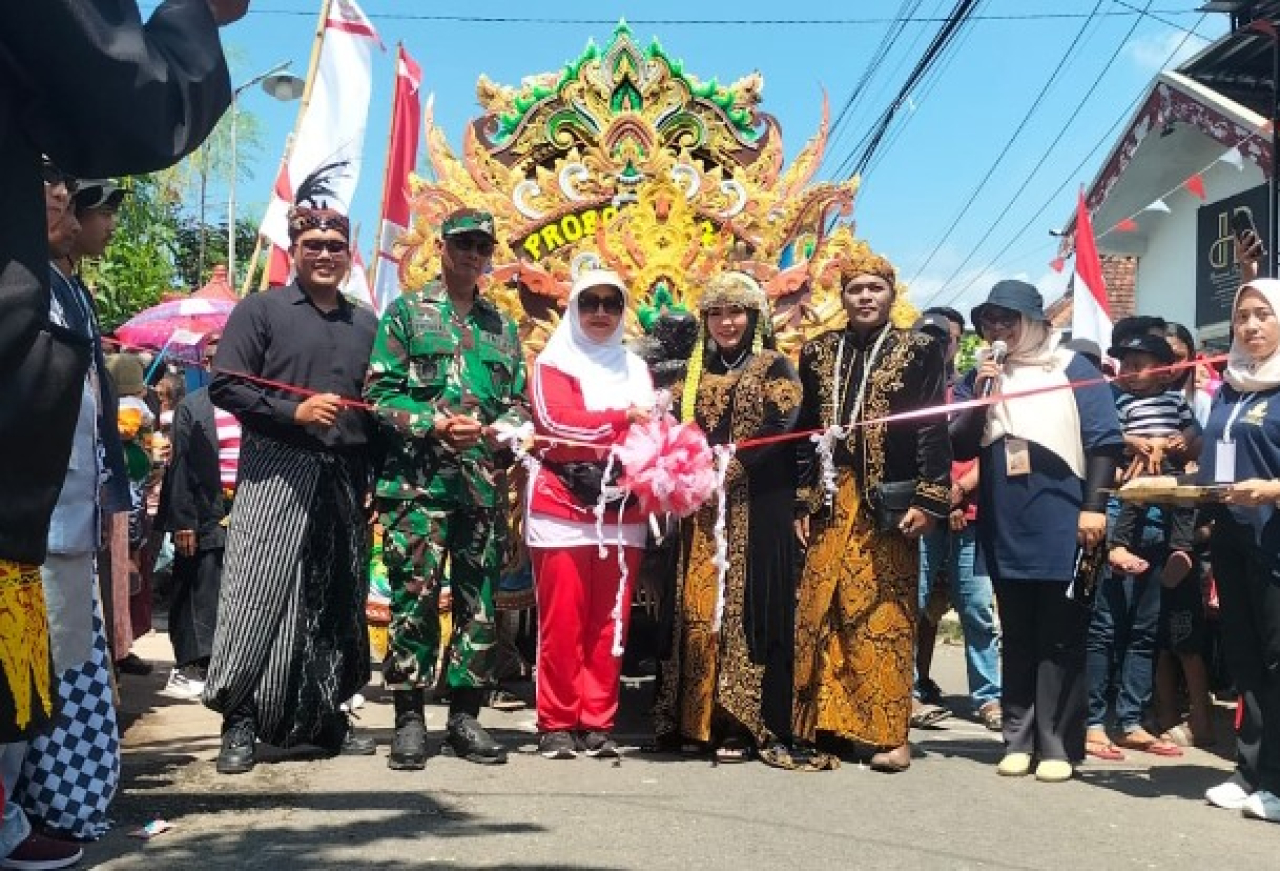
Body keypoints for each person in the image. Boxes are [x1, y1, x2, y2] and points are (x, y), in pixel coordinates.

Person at [0, 4, 243, 865]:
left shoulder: (72, 297)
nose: (83, 206)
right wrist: (195, 21)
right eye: (67, 189)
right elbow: (124, 94)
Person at [205, 164, 379, 775]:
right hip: (275, 471)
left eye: (335, 246)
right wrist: (293, 409)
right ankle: (241, 721)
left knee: (333, 600)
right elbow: (224, 384)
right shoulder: (261, 311)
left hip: (343, 477)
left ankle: (324, 714)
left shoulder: (366, 322)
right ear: (294, 249)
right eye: (313, 246)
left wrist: (376, 480)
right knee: (259, 595)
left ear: (349, 252)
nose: (325, 255)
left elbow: (380, 409)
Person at [365, 208, 527, 769]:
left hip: (482, 485)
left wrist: (507, 429)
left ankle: (465, 716)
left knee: (478, 601)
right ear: (442, 247)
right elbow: (380, 395)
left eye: (482, 246)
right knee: (413, 599)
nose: (473, 254)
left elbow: (518, 404)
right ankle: (409, 717)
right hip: (417, 484)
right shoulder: (408, 313)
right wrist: (432, 421)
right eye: (464, 244)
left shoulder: (501, 326)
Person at [953, 280, 1122, 784]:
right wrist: (983, 394)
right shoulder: (982, 374)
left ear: (1036, 322)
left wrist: (1094, 507)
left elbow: (1105, 441)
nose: (998, 328)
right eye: (990, 320)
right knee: (1018, 632)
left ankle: (1058, 742)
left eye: (1009, 318)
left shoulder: (1073, 367)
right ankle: (1017, 737)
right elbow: (958, 440)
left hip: (1063, 515)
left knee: (1061, 634)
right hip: (1006, 519)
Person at [791, 249, 952, 773]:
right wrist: (800, 497)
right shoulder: (818, 353)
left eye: (875, 288)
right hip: (830, 499)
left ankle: (890, 734)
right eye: (855, 289)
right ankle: (830, 726)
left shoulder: (919, 348)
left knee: (885, 613)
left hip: (889, 502)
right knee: (825, 608)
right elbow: (804, 428)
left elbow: (931, 425)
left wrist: (930, 498)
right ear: (841, 296)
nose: (865, 297)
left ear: (891, 294)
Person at [652, 271, 805, 767]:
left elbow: (780, 426)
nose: (726, 322)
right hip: (700, 511)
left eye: (735, 311)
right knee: (697, 608)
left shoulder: (775, 366)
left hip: (756, 508)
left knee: (746, 610)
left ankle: (743, 722)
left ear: (754, 316)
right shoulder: (692, 374)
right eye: (716, 313)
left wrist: (727, 471)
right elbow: (674, 430)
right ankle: (693, 719)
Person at [526, 269, 653, 760]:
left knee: (612, 623)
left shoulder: (636, 369)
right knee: (563, 621)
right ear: (574, 310)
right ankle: (556, 721)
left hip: (623, 509)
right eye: (590, 303)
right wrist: (621, 420)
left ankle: (597, 720)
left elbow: (651, 434)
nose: (601, 314)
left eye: (611, 304)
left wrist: (618, 433)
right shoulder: (554, 363)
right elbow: (556, 423)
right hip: (561, 506)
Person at [1085, 332, 1200, 763]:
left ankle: (1131, 721)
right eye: (1126, 364)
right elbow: (1098, 446)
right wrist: (1130, 444)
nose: (1132, 373)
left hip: (1162, 523)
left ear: (1163, 367)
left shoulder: (1176, 401)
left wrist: (1175, 446)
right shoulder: (1111, 401)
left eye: (1141, 363)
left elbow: (1193, 442)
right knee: (1105, 626)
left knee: (1145, 629)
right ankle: (1093, 723)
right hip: (1120, 517)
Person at [1198, 279, 1280, 822]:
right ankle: (1249, 772)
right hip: (1232, 537)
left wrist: (1273, 488)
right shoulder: (1230, 387)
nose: (1251, 327)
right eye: (1243, 316)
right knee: (1247, 661)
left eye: (1264, 315)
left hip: (1273, 539)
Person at [913, 308, 1003, 732]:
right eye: (924, 336)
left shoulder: (974, 385)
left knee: (975, 609)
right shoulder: (905, 390)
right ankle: (907, 690)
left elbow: (995, 446)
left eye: (943, 337)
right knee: (912, 604)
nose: (933, 344)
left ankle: (988, 697)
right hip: (921, 517)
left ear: (957, 342)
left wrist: (961, 490)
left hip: (968, 515)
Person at [160, 336, 239, 699]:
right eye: (210, 359)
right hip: (203, 508)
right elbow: (180, 466)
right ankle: (195, 664)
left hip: (247, 510)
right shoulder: (193, 406)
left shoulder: (255, 407)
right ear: (204, 366)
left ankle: (234, 661)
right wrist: (183, 521)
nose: (218, 364)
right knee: (201, 584)